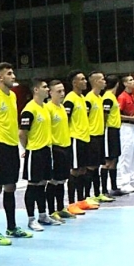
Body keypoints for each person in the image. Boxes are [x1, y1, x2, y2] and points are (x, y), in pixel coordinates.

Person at [0, 62, 33, 244]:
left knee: (11, 186)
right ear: (0, 77)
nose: (13, 76)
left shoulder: (11, 96)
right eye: (9, 73)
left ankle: (11, 227)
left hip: (11, 147)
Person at [19, 78, 54, 231]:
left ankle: (42, 215)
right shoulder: (29, 109)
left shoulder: (45, 108)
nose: (48, 89)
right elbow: (22, 133)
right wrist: (28, 149)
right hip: (34, 151)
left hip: (46, 150)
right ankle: (31, 219)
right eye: (45, 87)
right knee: (33, 185)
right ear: (36, 90)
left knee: (43, 184)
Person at [64, 70, 96, 213]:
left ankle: (82, 201)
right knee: (75, 171)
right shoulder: (70, 99)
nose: (85, 81)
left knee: (83, 170)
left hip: (85, 138)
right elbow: (65, 119)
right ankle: (71, 204)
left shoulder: (82, 98)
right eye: (82, 79)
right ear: (74, 83)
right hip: (75, 138)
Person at [45, 79, 74, 222]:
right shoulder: (47, 109)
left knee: (62, 180)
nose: (62, 94)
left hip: (66, 147)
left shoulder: (62, 108)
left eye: (63, 90)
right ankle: (51, 211)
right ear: (50, 93)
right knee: (53, 181)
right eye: (59, 91)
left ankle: (61, 208)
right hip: (55, 148)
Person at [84, 71, 114, 202]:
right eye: (102, 79)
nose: (105, 82)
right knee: (90, 167)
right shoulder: (88, 99)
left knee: (97, 165)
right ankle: (87, 195)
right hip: (91, 136)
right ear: (95, 82)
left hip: (100, 136)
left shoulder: (100, 98)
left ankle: (97, 193)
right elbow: (84, 117)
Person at [116, 74, 134, 192]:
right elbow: (118, 115)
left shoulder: (132, 96)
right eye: (131, 80)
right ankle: (124, 182)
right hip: (126, 127)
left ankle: (132, 179)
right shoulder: (122, 97)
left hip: (133, 127)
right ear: (125, 83)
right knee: (126, 154)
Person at [100, 74, 124, 197]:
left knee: (115, 158)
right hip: (109, 130)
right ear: (117, 84)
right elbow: (105, 114)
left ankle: (114, 187)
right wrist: (104, 129)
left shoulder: (112, 97)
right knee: (107, 160)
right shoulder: (108, 97)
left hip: (114, 129)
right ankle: (104, 189)